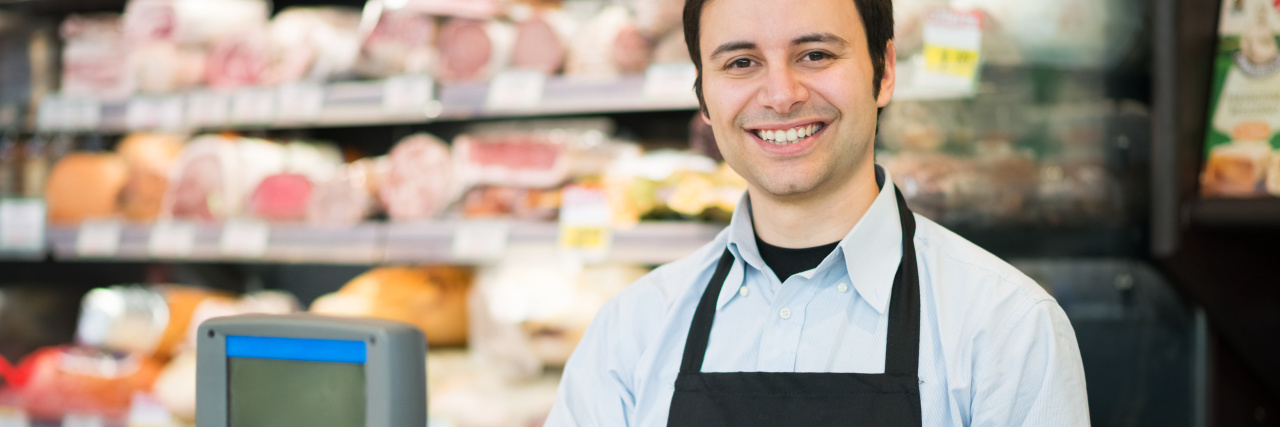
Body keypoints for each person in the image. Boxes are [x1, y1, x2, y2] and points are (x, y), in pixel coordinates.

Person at [544, 0, 1090, 425]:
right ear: (704, 98)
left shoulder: (1006, 327)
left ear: (885, 71)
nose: (781, 95)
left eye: (816, 55)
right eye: (741, 62)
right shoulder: (630, 332)